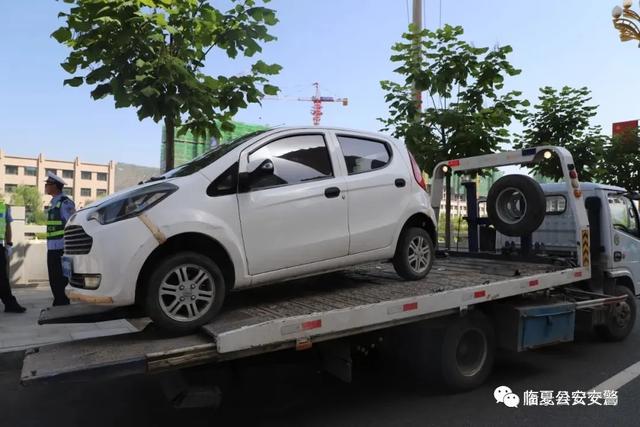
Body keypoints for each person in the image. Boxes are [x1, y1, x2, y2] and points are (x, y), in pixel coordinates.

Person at [45, 172, 76, 306]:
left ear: (56, 187)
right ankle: (58, 301)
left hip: (61, 248)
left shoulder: (65, 203)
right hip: (52, 248)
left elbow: (72, 223)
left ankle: (62, 303)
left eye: (48, 184)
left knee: (60, 279)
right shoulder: (53, 203)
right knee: (53, 279)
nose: (46, 186)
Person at [0, 199, 26, 313]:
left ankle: (10, 304)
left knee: (2, 277)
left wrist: (9, 244)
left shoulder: (3, 207)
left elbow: (7, 226)